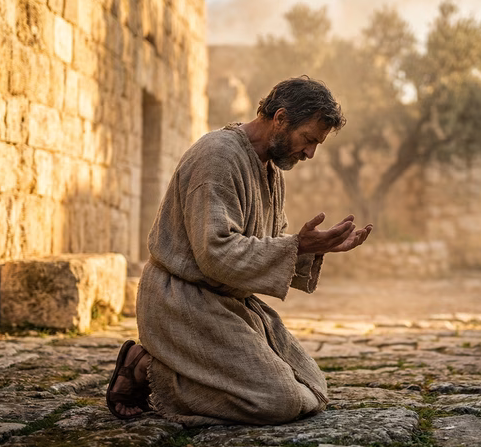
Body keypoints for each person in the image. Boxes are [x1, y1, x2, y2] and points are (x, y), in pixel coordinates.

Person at [106, 76, 372, 426]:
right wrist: (296, 246)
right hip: (183, 303)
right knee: (279, 402)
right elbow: (216, 252)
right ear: (280, 118)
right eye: (308, 139)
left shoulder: (270, 170)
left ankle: (189, 370)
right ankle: (148, 369)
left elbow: (269, 242)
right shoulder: (217, 156)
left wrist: (313, 248)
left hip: (231, 304)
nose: (310, 153)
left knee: (313, 388)